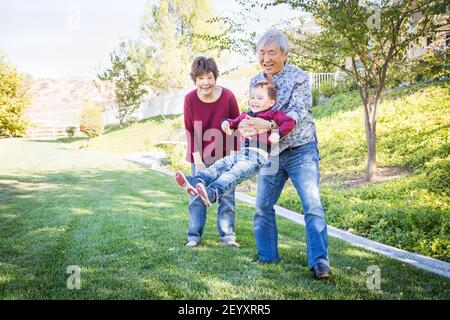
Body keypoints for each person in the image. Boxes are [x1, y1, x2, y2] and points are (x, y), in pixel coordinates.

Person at [238, 29, 331, 279]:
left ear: (285, 54)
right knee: (262, 206)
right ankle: (268, 257)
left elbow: (298, 113)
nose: (266, 58)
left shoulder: (299, 77)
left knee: (312, 205)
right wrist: (245, 126)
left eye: (271, 52)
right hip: (272, 152)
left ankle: (320, 263)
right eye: (261, 53)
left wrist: (267, 126)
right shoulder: (256, 80)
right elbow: (254, 112)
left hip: (301, 149)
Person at [175, 80, 295, 208]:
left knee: (233, 173)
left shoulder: (273, 114)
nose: (254, 101)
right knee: (221, 164)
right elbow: (233, 122)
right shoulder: (246, 115)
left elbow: (289, 123)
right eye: (252, 97)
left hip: (256, 156)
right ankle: (197, 180)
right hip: (241, 152)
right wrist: (225, 124)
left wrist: (278, 134)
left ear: (271, 102)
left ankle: (212, 192)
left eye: (260, 98)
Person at [183, 56, 240, 248]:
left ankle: (227, 236)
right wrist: (198, 161)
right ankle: (194, 236)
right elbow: (190, 131)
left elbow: (237, 126)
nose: (205, 82)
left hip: (225, 155)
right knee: (197, 196)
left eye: (209, 77)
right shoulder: (189, 99)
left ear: (215, 77)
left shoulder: (228, 96)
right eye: (200, 78)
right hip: (200, 154)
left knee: (227, 195)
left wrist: (233, 156)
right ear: (195, 80)